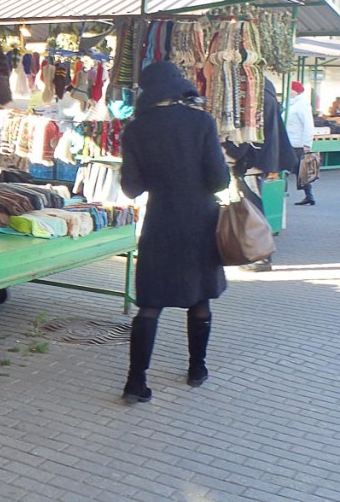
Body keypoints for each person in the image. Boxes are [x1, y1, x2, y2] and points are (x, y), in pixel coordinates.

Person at [120, 62, 230, 404]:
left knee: (150, 303)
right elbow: (219, 180)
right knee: (199, 298)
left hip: (161, 220)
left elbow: (131, 188)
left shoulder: (135, 129)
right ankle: (197, 368)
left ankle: (135, 383)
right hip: (200, 219)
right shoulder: (201, 122)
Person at [223, 79, 298, 272]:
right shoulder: (265, 90)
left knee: (252, 208)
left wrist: (232, 150)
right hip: (261, 158)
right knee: (252, 206)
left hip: (252, 160)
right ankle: (257, 254)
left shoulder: (254, 95)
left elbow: (251, 133)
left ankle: (262, 257)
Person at [286, 81, 315, 206]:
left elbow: (308, 125)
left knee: (293, 169)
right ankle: (309, 196)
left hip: (297, 143)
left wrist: (307, 143)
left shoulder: (302, 104)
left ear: (295, 91)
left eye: (290, 89)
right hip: (290, 141)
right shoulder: (290, 104)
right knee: (298, 170)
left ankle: (283, 193)